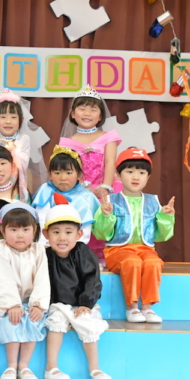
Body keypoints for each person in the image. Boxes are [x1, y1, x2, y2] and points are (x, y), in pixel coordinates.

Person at [93, 149, 175, 323]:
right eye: (129, 171)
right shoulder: (111, 201)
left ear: (148, 177)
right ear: (118, 175)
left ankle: (147, 307)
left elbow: (160, 236)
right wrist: (106, 216)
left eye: (141, 173)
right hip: (117, 251)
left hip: (146, 249)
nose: (136, 177)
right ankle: (132, 307)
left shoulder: (153, 201)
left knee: (153, 262)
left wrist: (166, 217)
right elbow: (101, 233)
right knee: (132, 262)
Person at [41, 194, 111, 379]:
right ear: (46, 234)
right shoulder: (44, 255)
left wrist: (86, 303)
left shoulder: (82, 252)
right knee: (56, 321)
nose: (62, 238)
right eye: (56, 232)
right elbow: (39, 282)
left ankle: (95, 368)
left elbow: (92, 279)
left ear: (79, 234)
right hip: (56, 304)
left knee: (88, 323)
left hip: (80, 303)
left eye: (68, 232)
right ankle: (51, 367)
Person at [0, 203, 50, 379]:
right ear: (3, 230)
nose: (20, 235)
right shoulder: (1, 248)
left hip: (30, 300)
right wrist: (12, 304)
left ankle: (24, 366)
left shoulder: (39, 250)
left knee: (33, 320)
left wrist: (38, 305)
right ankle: (11, 365)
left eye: (25, 229)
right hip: (4, 300)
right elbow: (2, 278)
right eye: (13, 229)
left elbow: (42, 279)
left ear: (34, 230)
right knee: (12, 320)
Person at [59, 85, 122, 262]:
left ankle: (107, 258)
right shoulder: (67, 142)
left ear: (100, 116)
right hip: (79, 190)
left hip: (106, 188)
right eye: (82, 108)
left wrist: (106, 186)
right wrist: (82, 188)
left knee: (107, 213)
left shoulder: (108, 136)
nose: (87, 113)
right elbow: (67, 169)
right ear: (73, 113)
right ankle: (81, 259)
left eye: (93, 109)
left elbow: (110, 162)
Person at [0, 88, 48, 193]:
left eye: (13, 117)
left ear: (21, 120)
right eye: (3, 117)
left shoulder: (23, 139)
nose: (8, 121)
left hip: (17, 183)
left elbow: (23, 164)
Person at [32, 146, 100, 247]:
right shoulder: (45, 190)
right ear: (50, 174)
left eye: (69, 173)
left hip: (75, 247)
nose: (63, 178)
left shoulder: (86, 196)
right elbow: (41, 219)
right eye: (57, 173)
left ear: (79, 175)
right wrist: (44, 245)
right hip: (46, 245)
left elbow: (86, 229)